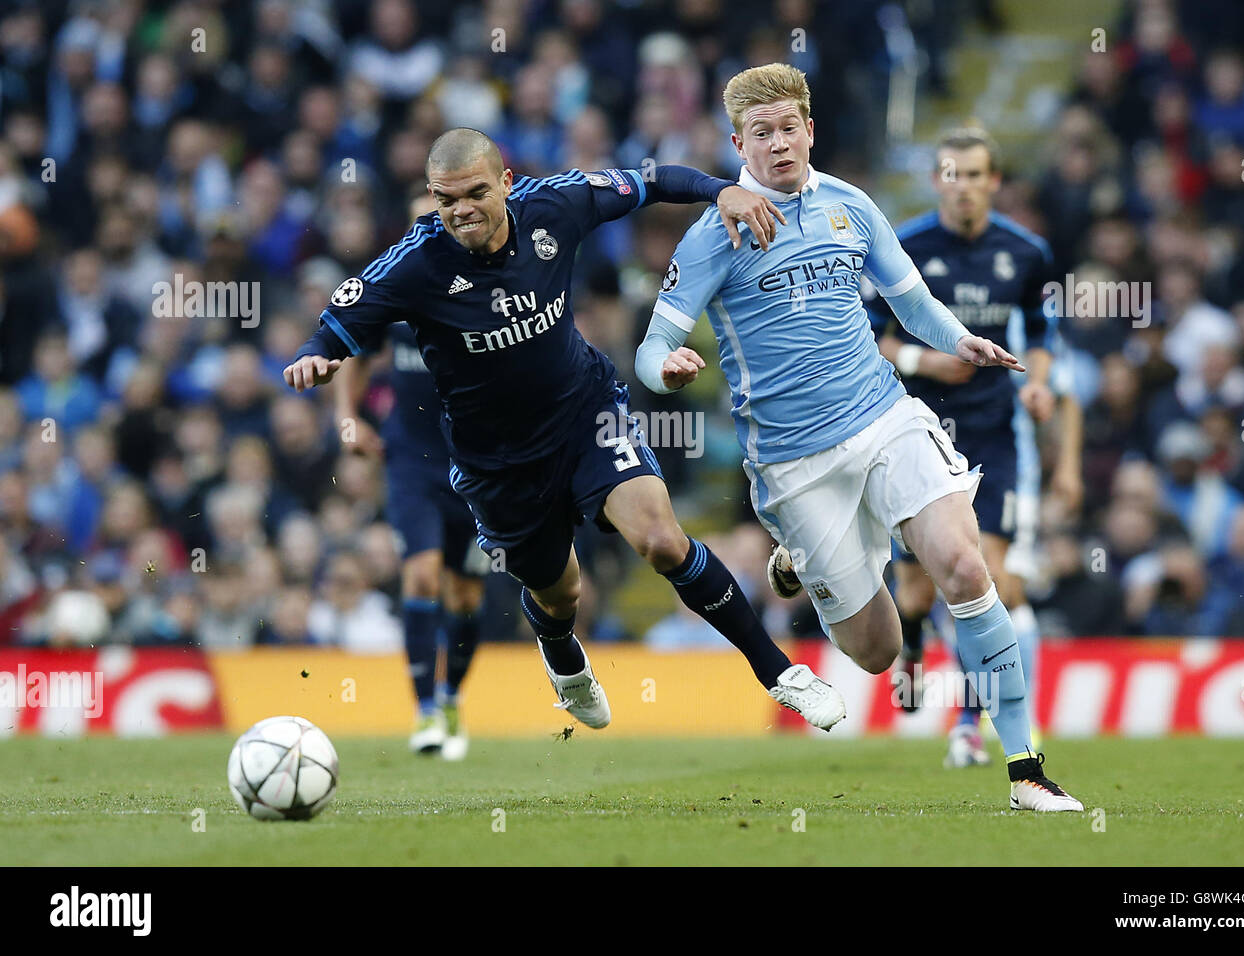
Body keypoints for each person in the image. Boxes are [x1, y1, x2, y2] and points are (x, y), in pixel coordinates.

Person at [284, 127, 845, 733]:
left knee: (660, 538)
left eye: (475, 192)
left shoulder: (555, 204)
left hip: (586, 414)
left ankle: (779, 673)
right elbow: (342, 313)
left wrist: (720, 192)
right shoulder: (417, 262)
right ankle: (560, 653)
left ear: (506, 182)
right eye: (446, 200)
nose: (462, 210)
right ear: (432, 197)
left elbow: (653, 180)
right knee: (559, 596)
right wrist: (316, 354)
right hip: (497, 463)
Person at [635, 64, 1082, 811]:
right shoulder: (716, 233)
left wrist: (962, 340)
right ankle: (798, 561)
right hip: (795, 463)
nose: (778, 144)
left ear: (810, 130)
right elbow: (653, 348)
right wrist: (670, 365)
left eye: (789, 128)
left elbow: (914, 302)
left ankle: (1025, 768)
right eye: (761, 133)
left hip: (886, 420)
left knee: (967, 570)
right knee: (875, 651)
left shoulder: (852, 206)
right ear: (737, 141)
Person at [869, 126, 1081, 768]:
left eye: (976, 175)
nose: (963, 187)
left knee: (988, 581)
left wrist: (1039, 386)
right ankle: (909, 646)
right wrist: (923, 363)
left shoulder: (1027, 253)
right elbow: (869, 336)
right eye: (951, 175)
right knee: (918, 595)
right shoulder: (902, 246)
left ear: (994, 182)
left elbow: (1041, 332)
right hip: (917, 429)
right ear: (937, 181)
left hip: (994, 434)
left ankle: (967, 724)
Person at [333, 279, 487, 759]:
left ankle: (451, 697)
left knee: (465, 595)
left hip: (477, 465)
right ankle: (424, 712)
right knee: (421, 576)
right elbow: (353, 349)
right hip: (410, 464)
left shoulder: (486, 301)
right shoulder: (397, 295)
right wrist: (348, 417)